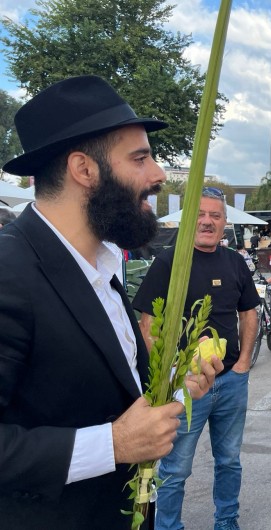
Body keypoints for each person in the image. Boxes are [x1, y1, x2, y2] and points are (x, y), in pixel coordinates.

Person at [0, 75, 219, 529]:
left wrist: (179, 387)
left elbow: (115, 405)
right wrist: (113, 446)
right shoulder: (10, 272)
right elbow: (117, 435)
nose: (158, 174)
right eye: (140, 158)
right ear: (84, 170)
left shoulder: (103, 267)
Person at [133, 186, 259, 530]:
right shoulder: (170, 261)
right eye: (201, 215)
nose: (207, 221)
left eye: (215, 216)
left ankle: (226, 522)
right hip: (185, 386)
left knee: (230, 460)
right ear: (190, 220)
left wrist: (244, 362)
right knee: (176, 468)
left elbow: (249, 313)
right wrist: (171, 373)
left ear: (224, 222)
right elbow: (149, 323)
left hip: (231, 381)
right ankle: (168, 526)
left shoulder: (235, 262)